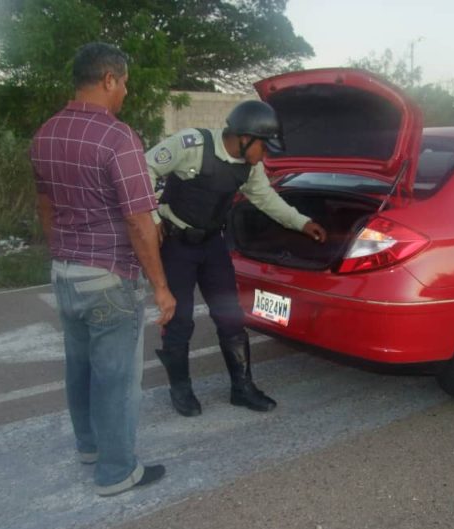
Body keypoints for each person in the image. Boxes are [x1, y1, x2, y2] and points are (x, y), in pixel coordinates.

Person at [31, 42, 176, 497]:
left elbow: (45, 204)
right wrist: (161, 287)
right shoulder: (117, 137)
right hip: (109, 277)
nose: (126, 93)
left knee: (79, 368)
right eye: (125, 83)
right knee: (116, 379)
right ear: (109, 79)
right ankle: (116, 471)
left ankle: (90, 446)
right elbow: (138, 221)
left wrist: (62, 250)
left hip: (65, 273)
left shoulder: (46, 133)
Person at [145, 100, 327, 417]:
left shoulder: (249, 165)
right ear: (244, 137)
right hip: (177, 244)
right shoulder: (193, 144)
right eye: (264, 147)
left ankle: (241, 388)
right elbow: (142, 169)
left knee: (231, 316)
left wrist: (302, 222)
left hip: (213, 245)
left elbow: (265, 198)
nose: (266, 155)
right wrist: (152, 218)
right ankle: (181, 389)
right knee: (180, 320)